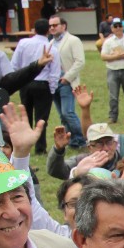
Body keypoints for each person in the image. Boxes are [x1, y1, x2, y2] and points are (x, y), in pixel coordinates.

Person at [11, 19, 63, 154]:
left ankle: (25, 144)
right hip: (42, 84)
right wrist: (51, 90)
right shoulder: (52, 48)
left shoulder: (23, 43)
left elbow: (15, 64)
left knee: (25, 116)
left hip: (25, 82)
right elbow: (54, 72)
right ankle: (40, 147)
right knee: (41, 118)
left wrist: (17, 82)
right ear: (48, 31)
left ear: (34, 30)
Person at [48, 15, 88, 149]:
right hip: (54, 82)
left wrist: (67, 77)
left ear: (63, 26)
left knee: (68, 112)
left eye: (55, 25)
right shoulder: (50, 43)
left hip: (66, 81)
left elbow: (80, 61)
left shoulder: (73, 40)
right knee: (62, 115)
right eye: (50, 26)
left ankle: (81, 139)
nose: (52, 28)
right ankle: (71, 140)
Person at [47, 122, 121, 180]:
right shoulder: (81, 161)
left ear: (115, 144)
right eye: (99, 144)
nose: (106, 148)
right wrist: (58, 150)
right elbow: (57, 172)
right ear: (90, 147)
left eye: (109, 142)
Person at [99, 17, 124, 123]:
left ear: (123, 27)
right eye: (115, 26)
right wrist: (115, 57)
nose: (118, 28)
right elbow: (103, 57)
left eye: (120, 26)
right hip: (112, 70)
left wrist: (123, 54)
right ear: (112, 28)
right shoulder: (108, 42)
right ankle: (113, 116)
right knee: (113, 96)